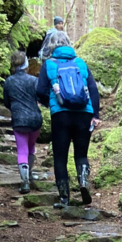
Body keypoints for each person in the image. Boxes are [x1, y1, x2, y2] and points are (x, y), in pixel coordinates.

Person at [36, 31, 101, 208]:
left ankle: (64, 198)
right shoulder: (80, 63)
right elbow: (93, 90)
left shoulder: (49, 64)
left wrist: (49, 104)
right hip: (84, 113)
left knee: (60, 156)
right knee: (81, 154)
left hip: (61, 115)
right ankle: (83, 183)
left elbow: (40, 91)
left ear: (51, 45)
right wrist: (95, 115)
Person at [3, 50, 43, 195]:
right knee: (31, 147)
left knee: (22, 149)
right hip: (35, 119)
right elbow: (40, 97)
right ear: (26, 64)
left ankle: (24, 181)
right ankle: (29, 173)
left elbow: (6, 102)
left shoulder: (9, 81)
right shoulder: (33, 80)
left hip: (19, 120)